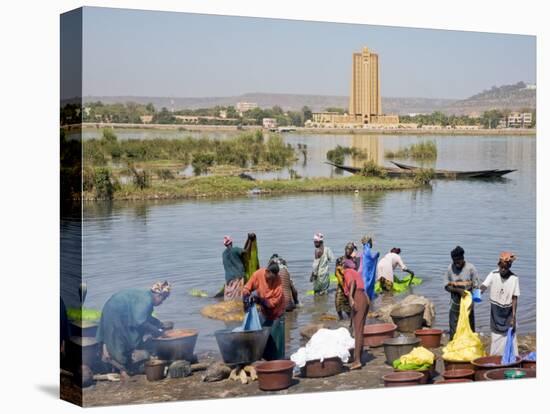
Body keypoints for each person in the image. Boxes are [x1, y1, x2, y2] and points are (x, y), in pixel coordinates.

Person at [96, 281, 172, 380]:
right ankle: (122, 369)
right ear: (158, 295)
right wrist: (159, 332)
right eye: (163, 299)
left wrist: (159, 323)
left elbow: (145, 316)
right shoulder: (146, 300)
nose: (162, 302)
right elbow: (140, 322)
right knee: (118, 339)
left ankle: (121, 362)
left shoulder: (147, 296)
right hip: (115, 311)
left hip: (119, 309)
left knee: (125, 337)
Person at [243, 262, 286, 360]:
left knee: (276, 344)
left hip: (277, 314)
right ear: (267, 271)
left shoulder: (278, 283)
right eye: (270, 278)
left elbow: (272, 304)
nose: (271, 281)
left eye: (274, 278)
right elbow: (246, 288)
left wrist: (260, 300)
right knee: (263, 339)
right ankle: (265, 359)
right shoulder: (258, 274)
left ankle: (277, 361)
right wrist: (246, 300)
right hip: (264, 312)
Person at [480, 252, 520, 355]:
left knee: (510, 336)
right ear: (498, 265)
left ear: (509, 267)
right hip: (496, 311)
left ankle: (510, 358)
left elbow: (514, 298)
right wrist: (477, 294)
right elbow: (484, 286)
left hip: (508, 312)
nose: (503, 270)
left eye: (505, 268)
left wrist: (514, 317)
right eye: (501, 267)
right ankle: (496, 358)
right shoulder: (493, 274)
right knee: (496, 338)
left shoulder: (514, 278)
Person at [444, 246, 479, 340]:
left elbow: (476, 286)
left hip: (468, 301)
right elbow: (446, 286)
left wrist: (474, 300)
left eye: (458, 261)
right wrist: (458, 291)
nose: (456, 264)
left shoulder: (471, 268)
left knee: (469, 324)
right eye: (454, 261)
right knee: (454, 325)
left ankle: (470, 345)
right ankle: (453, 343)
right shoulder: (450, 268)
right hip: (455, 301)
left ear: (463, 258)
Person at [343, 259, 370, 370]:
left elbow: (352, 283)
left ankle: (357, 361)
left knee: (358, 331)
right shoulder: (356, 272)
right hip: (364, 297)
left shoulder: (347, 272)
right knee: (360, 329)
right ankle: (358, 357)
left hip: (357, 296)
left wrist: (350, 298)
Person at [222, 233, 255, 301]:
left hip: (228, 279)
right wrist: (251, 241)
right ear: (231, 242)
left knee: (230, 297)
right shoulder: (235, 250)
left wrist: (248, 239)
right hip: (238, 277)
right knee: (238, 297)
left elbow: (243, 249)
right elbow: (246, 251)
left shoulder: (224, 254)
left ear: (225, 244)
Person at [334, 242, 358, 320]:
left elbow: (355, 274)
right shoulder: (340, 259)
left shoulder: (353, 261)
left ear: (352, 251)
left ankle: (351, 320)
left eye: (350, 249)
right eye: (347, 249)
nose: (348, 251)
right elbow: (336, 272)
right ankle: (341, 319)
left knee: (348, 306)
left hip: (350, 286)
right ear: (345, 249)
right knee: (337, 303)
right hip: (341, 284)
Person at [360, 235, 379, 301]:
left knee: (365, 282)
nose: (372, 243)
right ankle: (367, 299)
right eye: (371, 242)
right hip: (367, 270)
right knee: (368, 283)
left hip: (364, 269)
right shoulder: (367, 249)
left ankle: (365, 298)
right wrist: (376, 255)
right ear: (369, 242)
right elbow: (370, 259)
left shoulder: (365, 248)